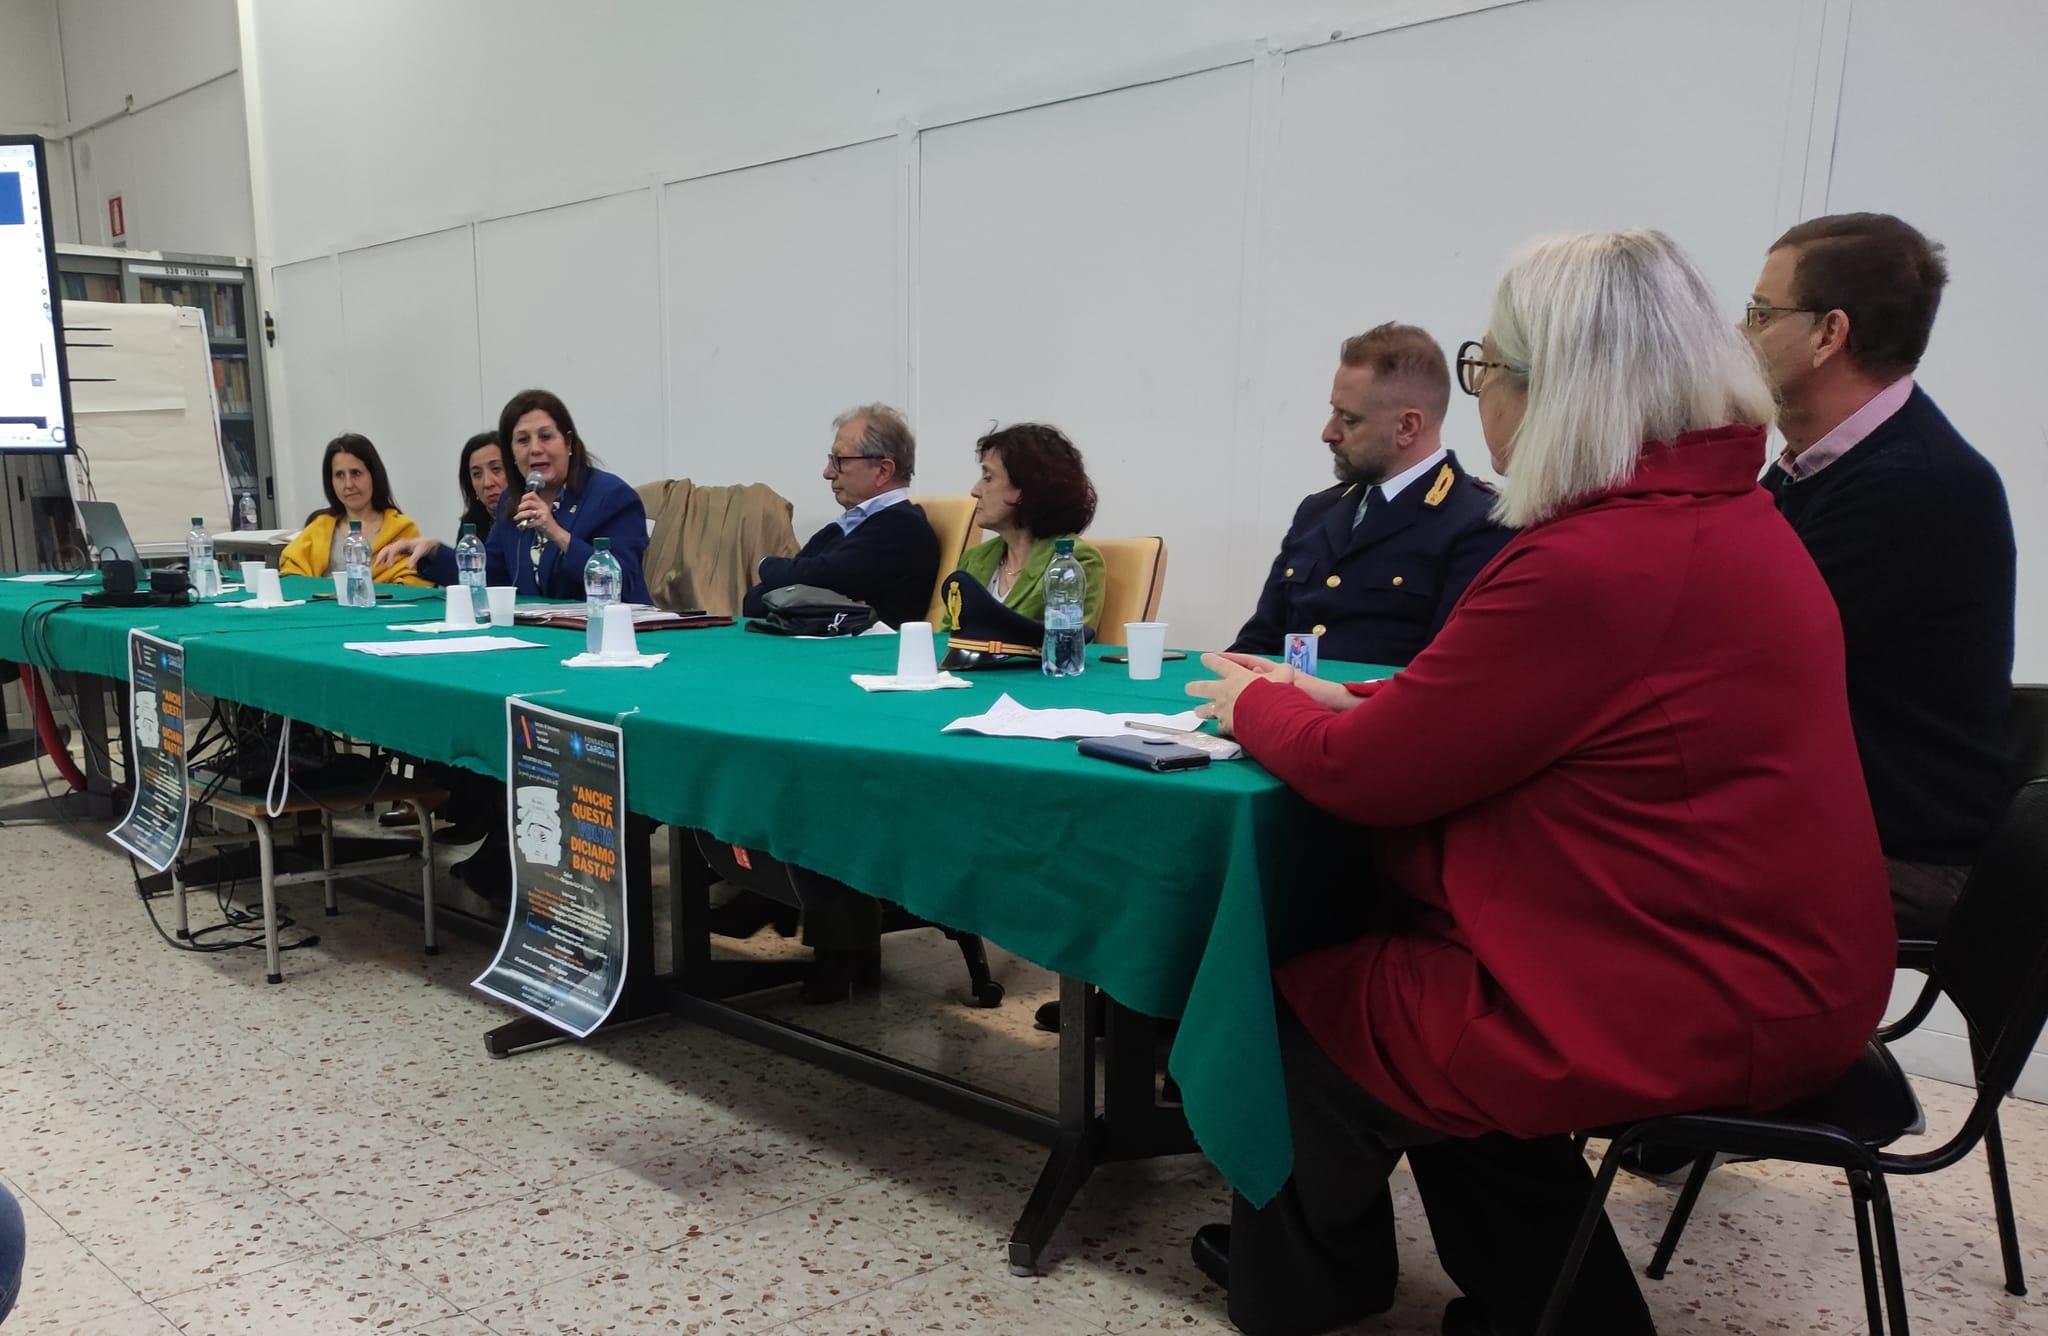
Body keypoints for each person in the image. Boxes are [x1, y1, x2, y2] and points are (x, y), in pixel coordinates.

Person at [1184, 230, 1894, 1336]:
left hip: (1687, 983)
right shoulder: (1713, 512)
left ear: (1556, 386)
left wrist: (1256, 704)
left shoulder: (1594, 557)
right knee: (1429, 996)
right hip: (1755, 957)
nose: (1483, 399)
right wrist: (1351, 696)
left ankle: (1308, 1291)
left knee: (1292, 1014)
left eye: (1489, 370)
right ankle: (1553, 1308)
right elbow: (1504, 706)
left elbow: (1368, 777)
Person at [1746, 212, 2016, 940]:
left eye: (1759, 314)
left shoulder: (1916, 485)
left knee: (1601, 860)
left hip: (1903, 851)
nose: (1740, 336)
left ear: (1828, 335)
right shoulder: (1814, 465)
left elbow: (1734, 656)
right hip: (1832, 816)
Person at [1231, 324, 1510, 668]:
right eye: (1334, 411)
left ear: (1407, 427)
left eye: (1348, 419)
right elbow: (1257, 644)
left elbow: (1446, 678)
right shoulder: (1319, 511)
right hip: (1284, 713)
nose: (1328, 433)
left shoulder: (1479, 522)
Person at [389, 389, 651, 604]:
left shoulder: (610, 496)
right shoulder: (512, 502)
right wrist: (435, 553)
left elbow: (625, 584)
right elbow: (493, 576)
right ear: (511, 454)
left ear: (569, 443)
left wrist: (557, 534)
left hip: (607, 637)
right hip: (540, 638)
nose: (535, 449)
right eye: (523, 440)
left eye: (546, 437)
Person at [742, 404, 939, 630]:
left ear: (883, 471)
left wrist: (767, 565)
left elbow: (816, 578)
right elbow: (754, 602)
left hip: (872, 658)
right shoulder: (843, 528)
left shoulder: (902, 528)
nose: (827, 473)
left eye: (840, 460)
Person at [950, 422, 1105, 629]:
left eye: (988, 478)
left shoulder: (1076, 561)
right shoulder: (975, 559)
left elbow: (1067, 642)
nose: (975, 491)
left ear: (1025, 488)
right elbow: (947, 636)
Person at [277, 434, 433, 585]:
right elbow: (292, 575)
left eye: (356, 473)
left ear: (374, 475)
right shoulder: (319, 527)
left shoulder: (402, 530)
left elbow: (413, 582)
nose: (348, 484)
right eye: (339, 475)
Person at [458, 430, 509, 537]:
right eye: (477, 474)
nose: (487, 483)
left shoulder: (529, 518)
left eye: (496, 469)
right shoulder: (470, 526)